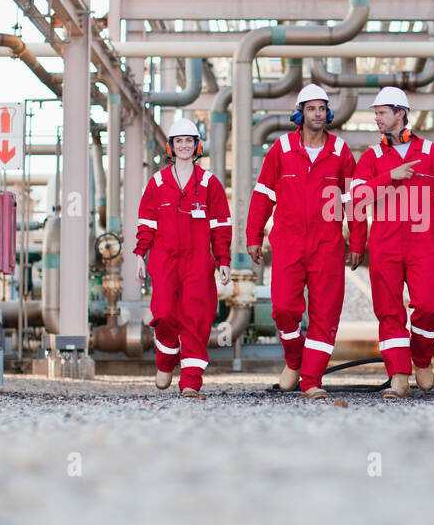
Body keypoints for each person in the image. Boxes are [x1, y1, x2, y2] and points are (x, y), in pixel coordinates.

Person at [246, 84, 356, 400]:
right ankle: (295, 360)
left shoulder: (340, 151)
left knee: (325, 313)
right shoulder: (280, 149)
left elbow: (353, 201)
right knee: (282, 308)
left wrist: (358, 242)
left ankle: (310, 380)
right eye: (312, 108)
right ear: (301, 113)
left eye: (322, 108)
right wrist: (253, 235)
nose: (318, 113)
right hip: (288, 243)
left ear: (328, 113)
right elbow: (263, 194)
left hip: (328, 245)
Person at [348, 86, 434, 398]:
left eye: (382, 113)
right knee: (389, 311)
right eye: (375, 113)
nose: (376, 119)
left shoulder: (430, 153)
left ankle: (422, 358)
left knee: (430, 304)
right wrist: (389, 176)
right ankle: (399, 376)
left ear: (401, 114)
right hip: (385, 243)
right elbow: (356, 198)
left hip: (425, 243)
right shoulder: (371, 157)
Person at [133, 118, 232, 397]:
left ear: (197, 145)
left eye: (189, 141)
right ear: (171, 147)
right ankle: (166, 357)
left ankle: (190, 381)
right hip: (164, 259)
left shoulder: (210, 183)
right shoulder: (158, 182)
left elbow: (221, 225)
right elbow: (146, 222)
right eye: (179, 141)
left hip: (198, 261)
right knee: (164, 313)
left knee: (196, 319)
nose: (185, 146)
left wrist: (223, 260)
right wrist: (140, 253)